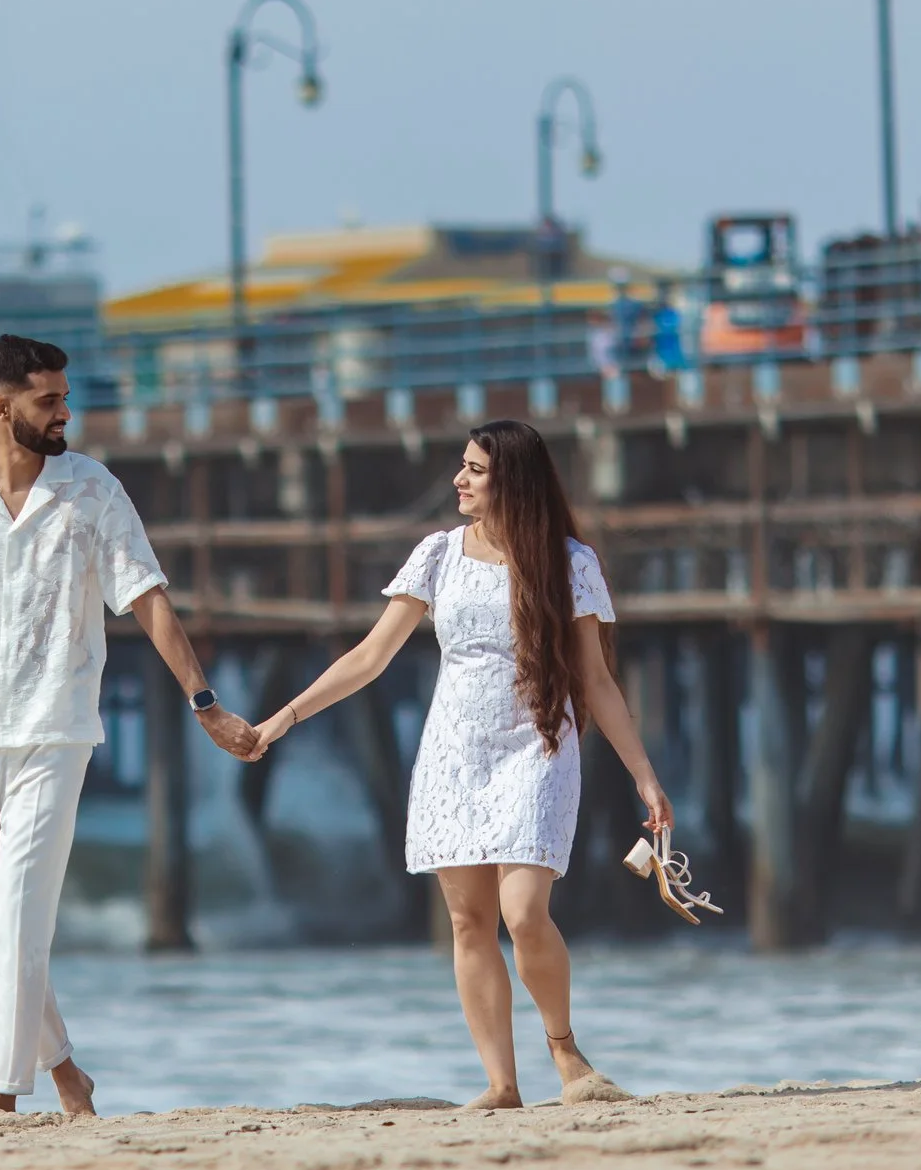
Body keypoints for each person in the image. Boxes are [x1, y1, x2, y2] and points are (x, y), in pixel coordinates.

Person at [0, 334, 260, 1116]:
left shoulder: (92, 490)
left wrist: (204, 702)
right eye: (48, 400)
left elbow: (147, 598)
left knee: (21, 909)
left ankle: (0, 1099)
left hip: (58, 726)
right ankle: (68, 1072)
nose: (65, 412)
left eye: (65, 397)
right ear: (0, 407)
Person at [253, 419, 672, 1109]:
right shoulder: (438, 555)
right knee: (469, 922)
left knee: (524, 911)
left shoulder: (570, 563)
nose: (459, 478)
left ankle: (565, 1052)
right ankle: (501, 1084)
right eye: (463, 465)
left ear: (512, 480)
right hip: (454, 752)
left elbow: (596, 680)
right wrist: (284, 717)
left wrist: (644, 774)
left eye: (475, 468)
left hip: (537, 746)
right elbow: (369, 657)